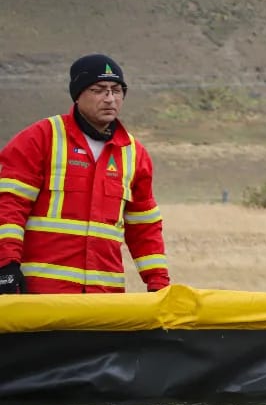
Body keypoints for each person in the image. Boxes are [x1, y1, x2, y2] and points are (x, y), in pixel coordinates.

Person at [0, 54, 170, 294]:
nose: (110, 98)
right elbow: (8, 207)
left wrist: (158, 283)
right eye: (99, 90)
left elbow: (145, 227)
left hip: (104, 299)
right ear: (78, 95)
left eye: (117, 90)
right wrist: (6, 266)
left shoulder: (134, 154)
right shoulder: (40, 138)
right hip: (40, 295)